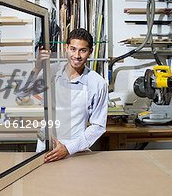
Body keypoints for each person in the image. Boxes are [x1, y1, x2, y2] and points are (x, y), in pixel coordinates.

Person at [16, 28, 108, 163]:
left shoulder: (97, 83)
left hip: (75, 151)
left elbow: (98, 126)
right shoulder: (52, 71)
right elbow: (22, 94)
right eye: (73, 49)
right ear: (66, 48)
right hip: (46, 148)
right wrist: (37, 68)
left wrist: (68, 149)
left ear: (90, 52)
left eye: (83, 50)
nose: (77, 55)